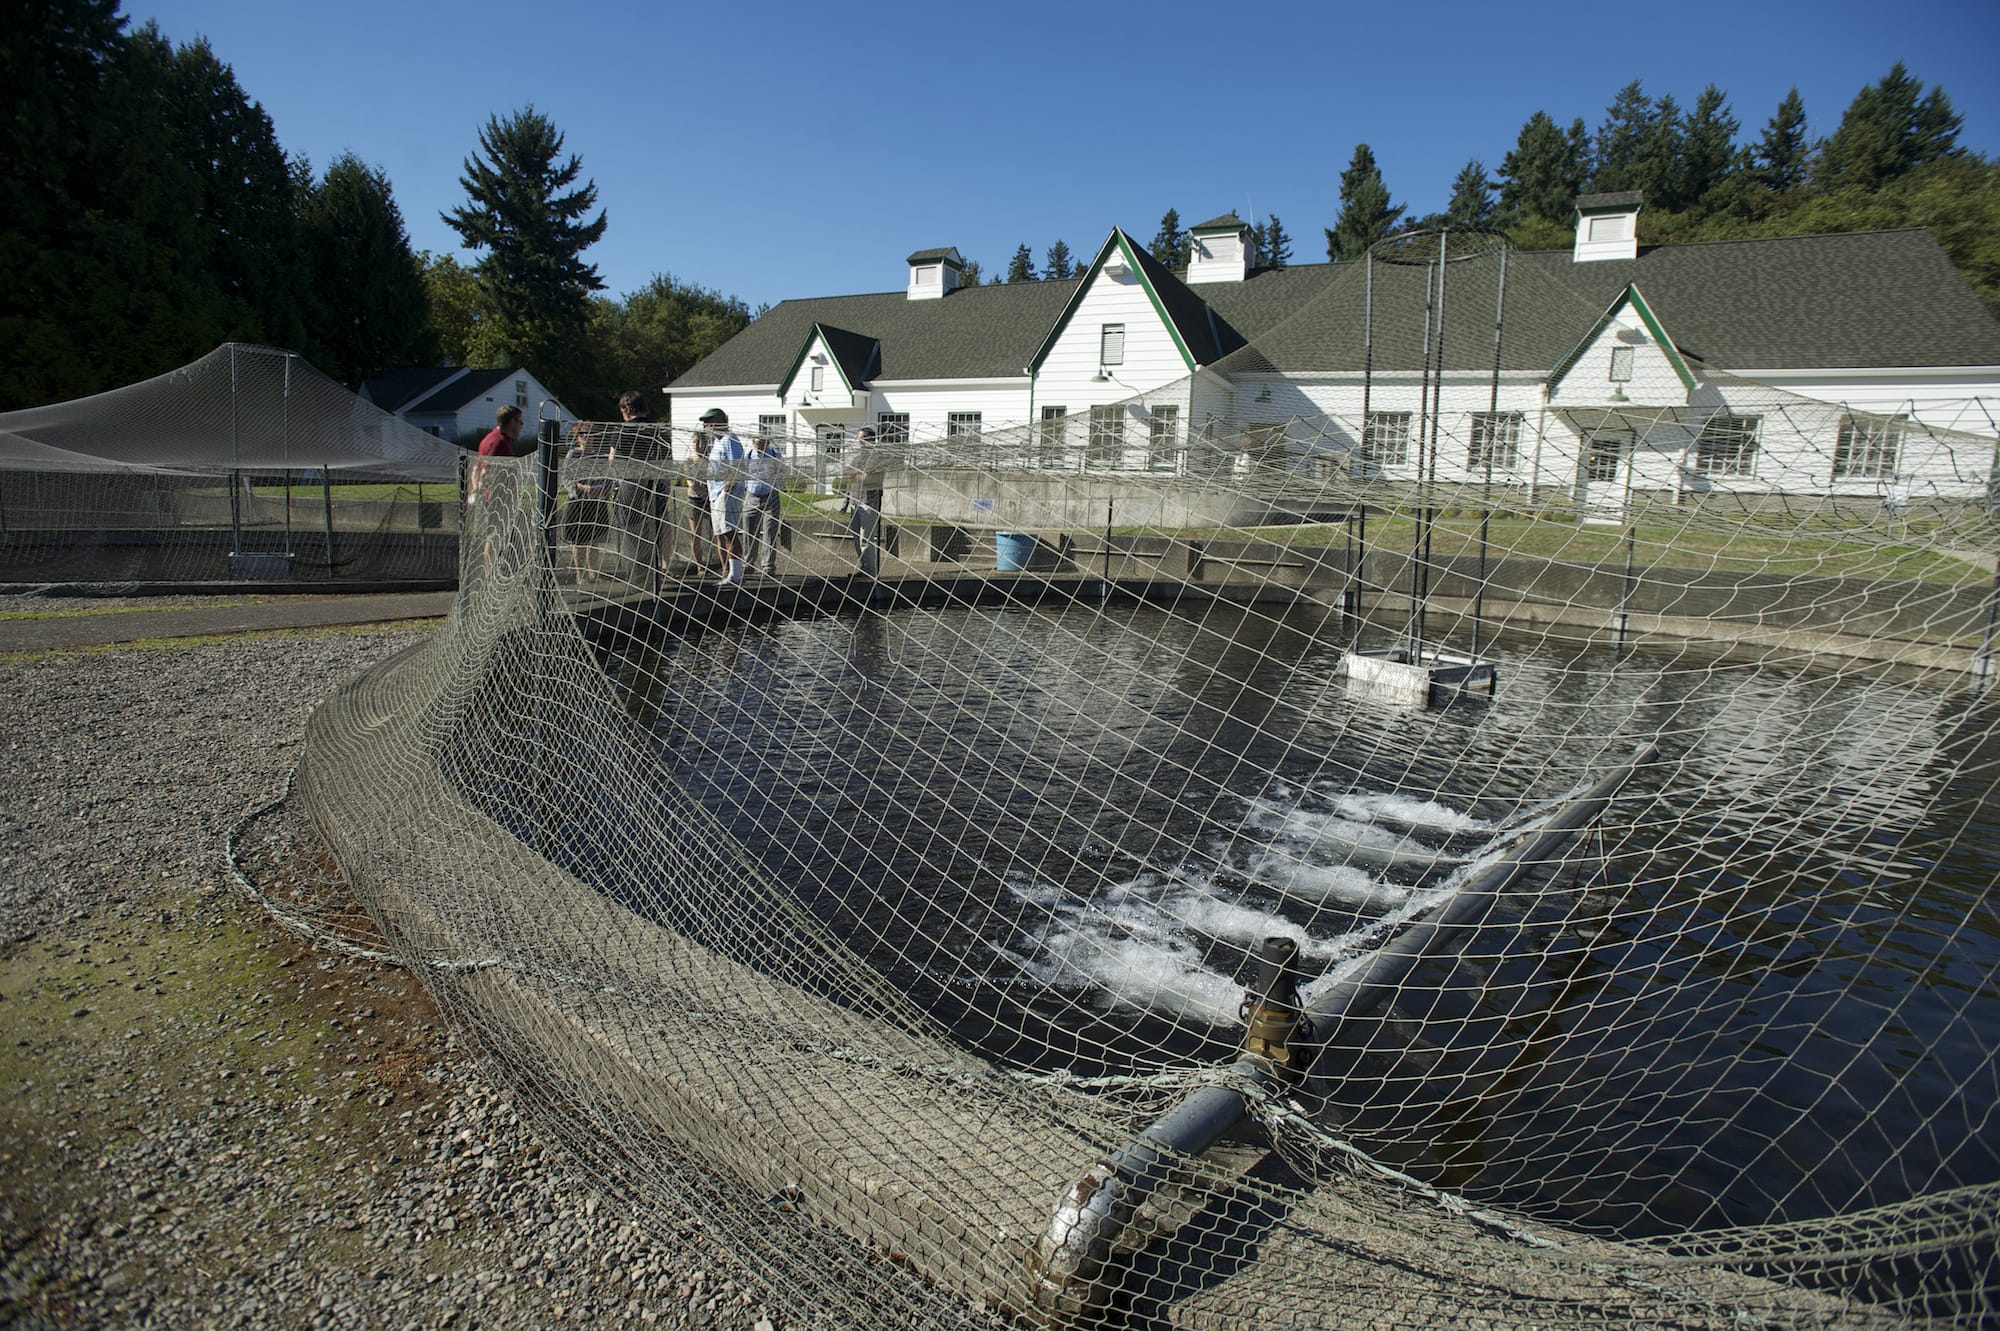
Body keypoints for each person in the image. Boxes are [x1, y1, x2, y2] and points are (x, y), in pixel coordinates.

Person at [614, 389, 673, 584]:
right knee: (656, 529)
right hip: (656, 486)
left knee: (633, 532)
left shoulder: (623, 430)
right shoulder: (659, 430)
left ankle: (638, 577)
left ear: (627, 409)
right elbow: (667, 461)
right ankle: (657, 575)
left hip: (631, 487)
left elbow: (614, 461)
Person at [700, 407, 747, 585]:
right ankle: (728, 571)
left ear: (719, 421)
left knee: (729, 532)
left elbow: (737, 466)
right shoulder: (716, 443)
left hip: (726, 492)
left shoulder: (730, 440)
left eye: (709, 422)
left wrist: (729, 486)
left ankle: (736, 574)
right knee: (720, 533)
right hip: (714, 493)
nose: (706, 426)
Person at [562, 421, 610, 582]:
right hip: (578, 502)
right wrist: (582, 487)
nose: (586, 437)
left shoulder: (600, 457)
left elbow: (609, 478)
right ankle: (579, 575)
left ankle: (593, 574)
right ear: (577, 437)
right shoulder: (573, 455)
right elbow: (567, 477)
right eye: (582, 434)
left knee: (594, 540)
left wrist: (603, 489)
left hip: (596, 502)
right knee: (579, 540)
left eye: (589, 434)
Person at [743, 429, 785, 578]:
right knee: (748, 530)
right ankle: (748, 563)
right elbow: (742, 473)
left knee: (769, 532)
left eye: (761, 443)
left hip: (770, 496)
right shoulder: (748, 456)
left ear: (767, 442)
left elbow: (781, 473)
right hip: (752, 496)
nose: (758, 445)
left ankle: (768, 566)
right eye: (756, 442)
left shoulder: (775, 455)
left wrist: (777, 488)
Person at [846, 426, 885, 577]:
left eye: (862, 439)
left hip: (869, 502)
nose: (860, 443)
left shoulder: (876, 458)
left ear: (870, 440)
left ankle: (871, 571)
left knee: (866, 539)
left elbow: (868, 478)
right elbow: (846, 474)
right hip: (855, 501)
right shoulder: (858, 458)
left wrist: (856, 475)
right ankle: (864, 567)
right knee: (856, 538)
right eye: (859, 439)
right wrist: (855, 474)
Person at [682, 430, 714, 577]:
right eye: (694, 442)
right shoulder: (689, 462)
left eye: (700, 442)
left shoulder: (711, 461)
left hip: (710, 499)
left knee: (717, 533)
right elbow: (691, 482)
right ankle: (700, 566)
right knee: (696, 534)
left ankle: (723, 563)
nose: (697, 445)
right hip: (695, 500)